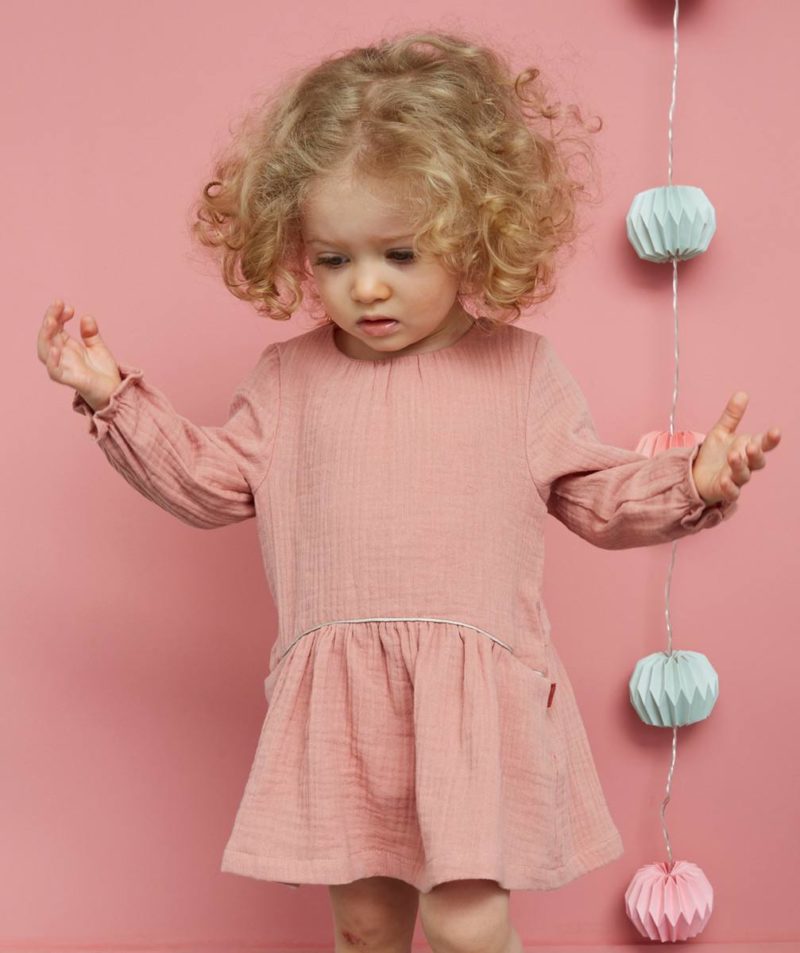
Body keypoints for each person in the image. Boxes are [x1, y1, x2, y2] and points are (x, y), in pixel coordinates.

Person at [36, 29, 781, 953]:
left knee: (467, 922)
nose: (366, 287)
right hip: (345, 709)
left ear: (474, 233)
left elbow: (598, 495)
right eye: (334, 259)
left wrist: (692, 481)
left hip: (469, 709)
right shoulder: (288, 380)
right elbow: (207, 482)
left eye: (400, 253)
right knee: (364, 924)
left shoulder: (520, 372)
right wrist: (111, 394)